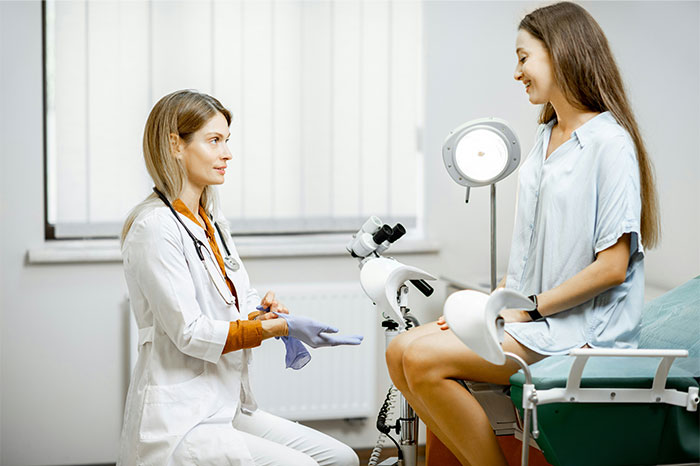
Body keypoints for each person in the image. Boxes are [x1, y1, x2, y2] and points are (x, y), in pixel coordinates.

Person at [385, 2, 660, 465]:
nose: (517, 72)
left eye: (523, 57)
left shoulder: (609, 144)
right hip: (535, 317)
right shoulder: (546, 135)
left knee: (423, 359)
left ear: (561, 54)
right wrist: (494, 306)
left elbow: (612, 268)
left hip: (581, 332)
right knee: (399, 350)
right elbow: (537, 248)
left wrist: (526, 311)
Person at [118, 89, 362, 466]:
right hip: (183, 418)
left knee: (341, 457)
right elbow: (190, 333)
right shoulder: (154, 228)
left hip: (223, 403)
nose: (227, 153)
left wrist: (260, 313)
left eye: (227, 141)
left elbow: (235, 302)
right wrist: (275, 329)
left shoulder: (211, 220)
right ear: (175, 145)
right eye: (214, 141)